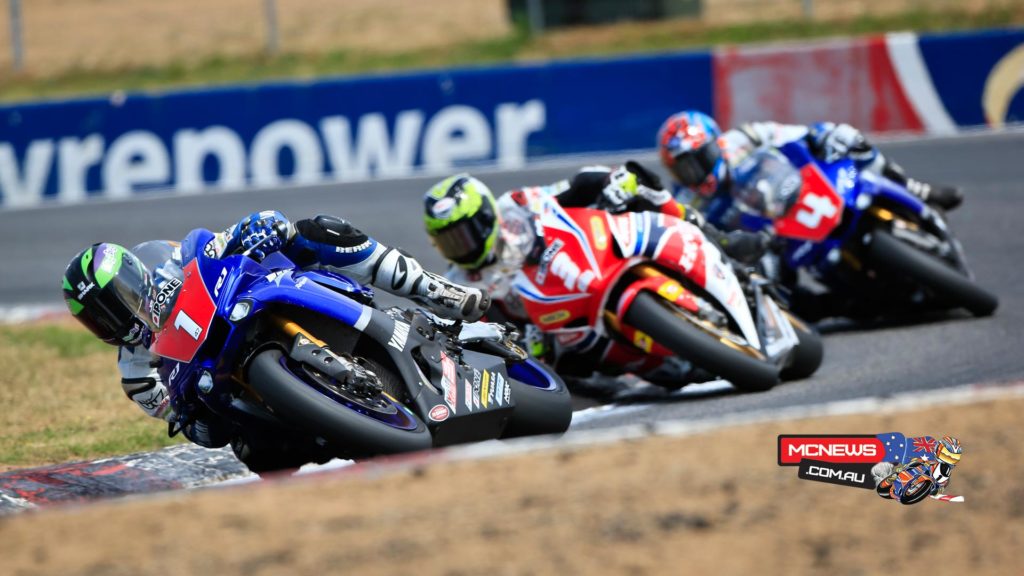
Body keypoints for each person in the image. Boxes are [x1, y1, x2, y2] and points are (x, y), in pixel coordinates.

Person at [61, 211, 490, 471]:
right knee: (260, 458)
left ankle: (435, 290)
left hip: (253, 308)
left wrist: (260, 228)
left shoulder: (173, 261)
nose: (114, 319)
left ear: (134, 277)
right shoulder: (135, 373)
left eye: (115, 301)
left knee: (316, 231)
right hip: (241, 398)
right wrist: (194, 418)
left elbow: (219, 242)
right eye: (100, 319)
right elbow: (192, 427)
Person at [421, 163, 766, 396]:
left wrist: (612, 181)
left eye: (464, 234)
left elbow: (575, 186)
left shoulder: (517, 205)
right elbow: (487, 331)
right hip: (558, 324)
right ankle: (625, 384)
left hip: (583, 259)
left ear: (485, 216)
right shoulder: (463, 282)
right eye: (450, 240)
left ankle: (721, 240)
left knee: (643, 193)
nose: (460, 247)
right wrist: (519, 343)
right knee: (560, 372)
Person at [656, 110, 964, 220]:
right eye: (683, 168)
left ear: (715, 142)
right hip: (767, 230)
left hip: (796, 188)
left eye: (698, 161)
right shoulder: (686, 200)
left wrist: (821, 134)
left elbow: (790, 133)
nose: (693, 173)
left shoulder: (741, 139)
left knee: (853, 144)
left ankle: (917, 190)